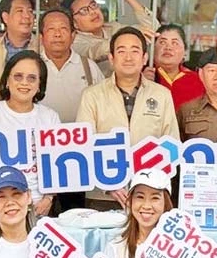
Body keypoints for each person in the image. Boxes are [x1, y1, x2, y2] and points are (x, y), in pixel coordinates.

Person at [77, 27, 179, 210]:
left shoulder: (162, 94)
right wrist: (108, 185)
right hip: (102, 196)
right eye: (121, 51)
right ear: (111, 58)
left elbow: (171, 145)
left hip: (148, 197)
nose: (128, 57)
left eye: (135, 51)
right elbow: (83, 146)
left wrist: (150, 185)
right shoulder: (92, 95)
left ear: (145, 58)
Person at [0, 51, 60, 215]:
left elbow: (56, 166)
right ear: (7, 80)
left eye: (32, 78)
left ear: (40, 84)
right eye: (18, 76)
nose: (24, 83)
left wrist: (48, 198)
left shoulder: (50, 117)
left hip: (38, 205)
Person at [65, 0, 158, 75]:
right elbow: (96, 51)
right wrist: (132, 35)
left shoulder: (113, 27)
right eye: (84, 11)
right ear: (74, 23)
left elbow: (154, 29)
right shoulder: (74, 42)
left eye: (93, 5)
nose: (93, 12)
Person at [36, 8, 101, 123]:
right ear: (41, 37)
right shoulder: (31, 67)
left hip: (81, 133)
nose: (57, 34)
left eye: (63, 28)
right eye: (51, 29)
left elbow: (103, 105)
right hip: (41, 133)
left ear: (73, 35)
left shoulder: (89, 68)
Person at [142, 24, 205, 111]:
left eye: (175, 43)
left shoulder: (198, 80)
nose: (168, 48)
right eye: (162, 42)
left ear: (185, 51)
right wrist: (140, 84)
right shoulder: (142, 76)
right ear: (153, 49)